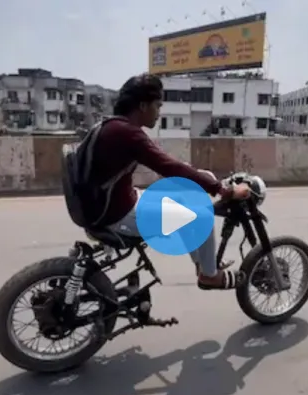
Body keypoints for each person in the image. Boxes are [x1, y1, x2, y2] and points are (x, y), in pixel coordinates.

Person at [87, 73, 251, 290]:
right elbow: (169, 166)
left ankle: (202, 263)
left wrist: (202, 180)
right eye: (158, 105)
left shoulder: (110, 126)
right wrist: (221, 189)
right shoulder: (129, 134)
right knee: (201, 215)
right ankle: (209, 275)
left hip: (109, 205)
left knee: (186, 195)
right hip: (118, 215)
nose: (159, 111)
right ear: (143, 105)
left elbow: (169, 166)